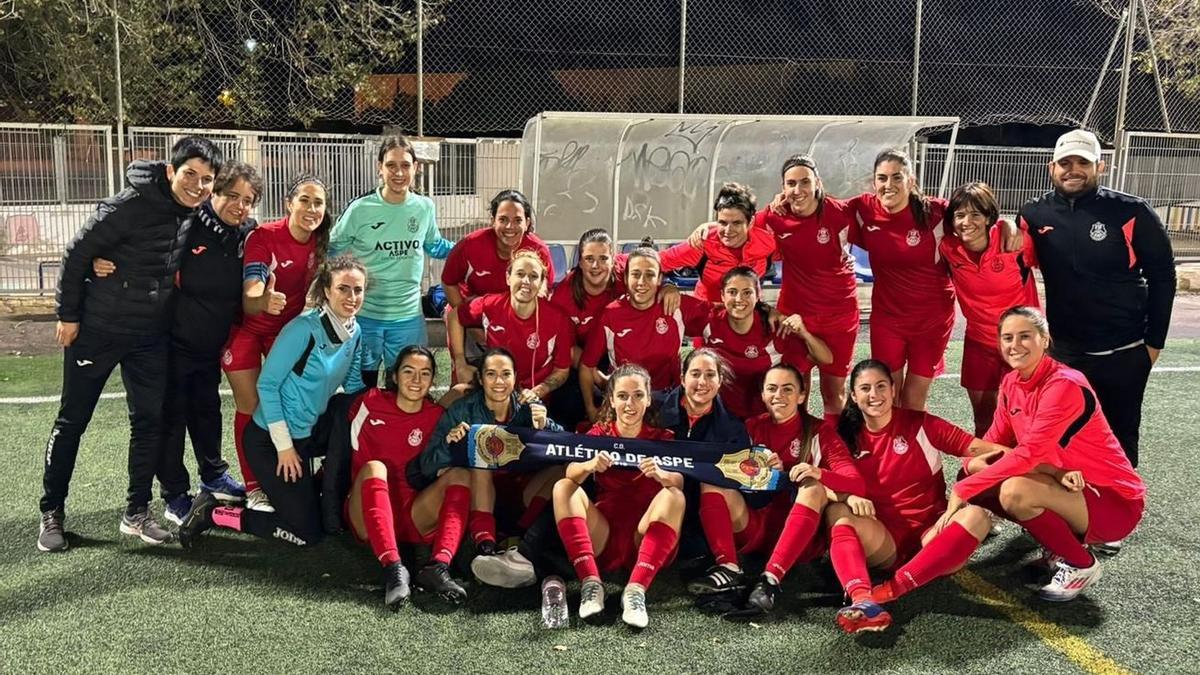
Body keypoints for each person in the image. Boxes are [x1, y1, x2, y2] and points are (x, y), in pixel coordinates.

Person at [38, 136, 224, 553]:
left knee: (149, 422)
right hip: (98, 330)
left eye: (206, 179)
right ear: (171, 170)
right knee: (73, 421)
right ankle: (52, 511)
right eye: (190, 174)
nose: (197, 185)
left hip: (149, 337)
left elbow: (226, 225)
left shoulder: (194, 212)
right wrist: (68, 315)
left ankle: (136, 512)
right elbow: (75, 253)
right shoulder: (130, 203)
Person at [90, 161, 263, 523]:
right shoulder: (187, 221)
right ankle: (175, 495)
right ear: (214, 192)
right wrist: (99, 256)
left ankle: (213, 475)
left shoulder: (248, 232)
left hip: (211, 344)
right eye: (232, 195)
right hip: (171, 341)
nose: (240, 206)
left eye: (248, 200)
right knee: (172, 418)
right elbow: (127, 227)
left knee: (207, 411)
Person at [951, 306, 1146, 601]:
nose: (1014, 345)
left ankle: (1081, 564)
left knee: (1015, 491)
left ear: (1045, 339)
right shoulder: (1011, 382)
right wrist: (969, 468)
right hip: (1068, 488)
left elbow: (1029, 455)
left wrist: (964, 489)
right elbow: (991, 443)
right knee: (974, 469)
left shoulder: (1064, 385)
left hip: (1111, 499)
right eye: (1007, 338)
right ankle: (1058, 545)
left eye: (1025, 336)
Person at [179, 255, 367, 550]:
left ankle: (320, 486)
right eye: (343, 289)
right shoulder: (303, 329)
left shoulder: (355, 333)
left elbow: (355, 387)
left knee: (346, 408)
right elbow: (267, 386)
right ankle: (213, 513)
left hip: (307, 434)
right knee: (306, 534)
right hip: (271, 440)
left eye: (358, 290)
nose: (352, 297)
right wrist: (285, 447)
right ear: (327, 291)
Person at [1019, 129, 1175, 479]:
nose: (1073, 170)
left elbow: (1164, 277)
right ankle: (1067, 513)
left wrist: (1154, 343)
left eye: (1082, 163)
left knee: (1119, 434)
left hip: (1125, 349)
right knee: (1065, 434)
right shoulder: (1033, 214)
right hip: (1066, 352)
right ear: (1051, 167)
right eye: (1065, 163)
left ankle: (1116, 510)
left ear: (1099, 168)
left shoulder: (1131, 212)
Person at [826, 359, 1006, 634]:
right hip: (882, 538)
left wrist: (1047, 464)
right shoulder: (843, 436)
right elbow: (822, 483)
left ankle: (889, 591)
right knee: (836, 512)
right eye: (865, 388)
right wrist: (848, 498)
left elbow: (982, 450)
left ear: (894, 390)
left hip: (931, 535)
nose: (874, 395)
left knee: (976, 515)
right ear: (853, 396)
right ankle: (862, 599)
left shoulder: (920, 424)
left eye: (880, 386)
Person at [688, 364, 865, 611]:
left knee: (813, 486)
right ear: (762, 394)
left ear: (802, 395)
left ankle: (770, 579)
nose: (778, 396)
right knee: (713, 481)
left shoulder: (819, 431)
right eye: (771, 389)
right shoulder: (750, 427)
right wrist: (758, 472)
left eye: (787, 389)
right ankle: (728, 567)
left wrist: (817, 472)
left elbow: (856, 482)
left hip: (799, 541)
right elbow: (728, 473)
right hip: (754, 529)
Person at [226, 174, 332, 512]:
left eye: (318, 203)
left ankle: (290, 476)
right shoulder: (265, 237)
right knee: (250, 403)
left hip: (284, 334)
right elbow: (251, 291)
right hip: (246, 329)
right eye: (304, 200)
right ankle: (254, 487)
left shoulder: (322, 243)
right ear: (289, 203)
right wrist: (263, 300)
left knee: (291, 401)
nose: (311, 208)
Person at [553, 364, 687, 629]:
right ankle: (591, 584)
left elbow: (680, 481)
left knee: (675, 496)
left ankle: (636, 590)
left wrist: (662, 474)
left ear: (649, 399)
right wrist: (589, 466)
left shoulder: (662, 438)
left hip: (645, 533)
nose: (630, 403)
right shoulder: (598, 435)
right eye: (623, 396)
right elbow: (570, 472)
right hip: (604, 533)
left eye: (638, 395)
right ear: (611, 400)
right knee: (562, 487)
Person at [418, 347, 563, 586]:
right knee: (481, 453)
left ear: (516, 377)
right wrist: (450, 445)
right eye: (491, 374)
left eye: (506, 374)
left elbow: (562, 447)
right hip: (479, 496)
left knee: (561, 474)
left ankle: (521, 542)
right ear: (481, 379)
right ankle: (485, 546)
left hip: (520, 494)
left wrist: (545, 423)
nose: (499, 381)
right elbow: (427, 464)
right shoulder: (462, 409)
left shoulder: (528, 406)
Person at [344, 346, 472, 608]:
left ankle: (437, 566)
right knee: (375, 467)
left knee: (460, 474)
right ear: (394, 376)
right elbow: (341, 456)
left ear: (433, 380)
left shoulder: (437, 417)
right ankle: (393, 568)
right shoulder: (370, 402)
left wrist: (452, 450)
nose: (416, 380)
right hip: (367, 513)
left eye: (425, 373)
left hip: (413, 513)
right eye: (408, 371)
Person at [332, 136, 453, 386]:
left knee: (405, 392)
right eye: (391, 165)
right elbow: (331, 250)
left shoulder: (423, 208)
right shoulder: (360, 209)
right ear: (380, 167)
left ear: (416, 168)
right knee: (358, 394)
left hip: (408, 318)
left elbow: (435, 246)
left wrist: (472, 246)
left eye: (406, 165)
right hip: (364, 317)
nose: (399, 172)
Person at [757, 155, 861, 423]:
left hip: (839, 317)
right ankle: (796, 448)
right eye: (791, 183)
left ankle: (835, 453)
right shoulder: (773, 217)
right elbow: (736, 230)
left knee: (833, 394)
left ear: (817, 183)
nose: (798, 190)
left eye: (805, 182)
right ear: (783, 187)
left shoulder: (840, 213)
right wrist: (705, 229)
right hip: (794, 315)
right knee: (792, 388)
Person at [850, 149, 952, 411]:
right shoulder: (864, 210)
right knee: (887, 399)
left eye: (897, 177)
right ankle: (890, 452)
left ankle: (915, 452)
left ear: (911, 180)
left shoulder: (937, 213)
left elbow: (979, 215)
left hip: (931, 321)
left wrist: (1008, 226)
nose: (889, 185)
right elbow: (823, 210)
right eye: (882, 178)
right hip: (888, 319)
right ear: (874, 183)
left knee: (913, 402)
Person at [939, 181, 1039, 435]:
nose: (966, 222)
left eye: (975, 214)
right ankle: (989, 470)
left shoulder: (1015, 245)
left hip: (1019, 343)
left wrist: (1011, 223)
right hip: (979, 343)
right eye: (960, 215)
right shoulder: (949, 249)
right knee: (983, 419)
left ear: (988, 218)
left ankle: (1027, 471)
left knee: (1021, 419)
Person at [579, 247, 706, 418]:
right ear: (625, 278)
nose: (641, 282)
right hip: (626, 400)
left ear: (660, 278)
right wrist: (591, 409)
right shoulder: (611, 314)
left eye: (650, 275)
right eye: (636, 274)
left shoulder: (675, 305)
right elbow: (587, 366)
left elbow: (722, 316)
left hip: (667, 399)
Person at [692, 266, 830, 419]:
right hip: (719, 418)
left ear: (758, 296)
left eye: (747, 292)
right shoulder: (709, 319)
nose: (739, 299)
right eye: (732, 292)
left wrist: (804, 333)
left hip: (762, 420)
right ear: (722, 296)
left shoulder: (773, 328)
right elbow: (676, 306)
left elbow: (826, 358)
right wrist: (668, 288)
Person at [447, 250, 572, 406]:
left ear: (540, 283)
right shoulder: (490, 305)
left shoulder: (558, 318)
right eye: (520, 274)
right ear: (508, 278)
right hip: (493, 391)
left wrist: (539, 391)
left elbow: (562, 370)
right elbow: (454, 316)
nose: (526, 281)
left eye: (533, 276)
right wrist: (460, 362)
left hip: (532, 399)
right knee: (453, 396)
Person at [660, 182, 775, 302]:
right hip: (708, 315)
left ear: (750, 222)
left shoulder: (768, 243)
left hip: (748, 315)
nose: (728, 231)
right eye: (723, 223)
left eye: (736, 223)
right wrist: (667, 284)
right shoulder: (702, 243)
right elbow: (653, 261)